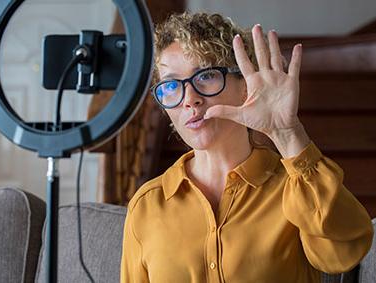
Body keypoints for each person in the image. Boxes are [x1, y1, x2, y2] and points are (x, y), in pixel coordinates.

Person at [120, 12, 374, 283]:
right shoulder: (147, 205)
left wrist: (288, 133)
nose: (189, 99)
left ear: (246, 86)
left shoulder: (295, 187)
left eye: (206, 75)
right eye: (171, 84)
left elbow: (343, 254)